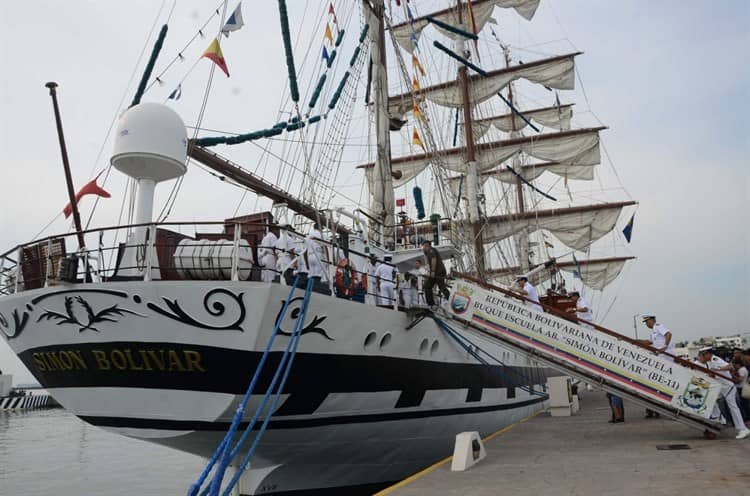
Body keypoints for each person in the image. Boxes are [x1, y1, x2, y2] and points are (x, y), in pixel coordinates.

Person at [696, 347, 750, 439]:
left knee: (733, 408)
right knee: (711, 400)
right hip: (722, 388)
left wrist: (718, 370)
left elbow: (730, 366)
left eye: (702, 355)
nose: (702, 357)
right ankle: (721, 419)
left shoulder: (715, 359)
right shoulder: (709, 362)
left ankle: (742, 429)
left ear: (707, 354)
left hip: (727, 387)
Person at [637, 315, 674, 418]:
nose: (646, 324)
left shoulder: (658, 326)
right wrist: (637, 341)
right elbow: (649, 342)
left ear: (652, 320)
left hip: (666, 356)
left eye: (647, 321)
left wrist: (665, 346)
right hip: (661, 357)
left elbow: (668, 334)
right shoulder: (653, 331)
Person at [422, 240, 449, 309]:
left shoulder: (430, 250)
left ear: (426, 246)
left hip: (438, 272)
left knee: (441, 286)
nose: (423, 248)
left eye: (423, 247)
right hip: (437, 272)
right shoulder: (430, 251)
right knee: (428, 286)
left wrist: (433, 271)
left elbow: (434, 259)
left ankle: (432, 304)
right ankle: (431, 304)